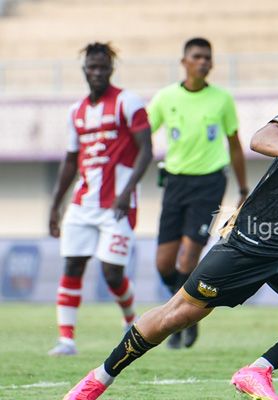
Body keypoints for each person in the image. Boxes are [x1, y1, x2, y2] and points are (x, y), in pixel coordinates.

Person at [62, 56, 278, 400]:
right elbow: (261, 137)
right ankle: (97, 380)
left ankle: (257, 370)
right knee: (177, 314)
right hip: (253, 238)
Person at [47, 42, 153, 356]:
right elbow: (70, 160)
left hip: (117, 206)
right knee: (72, 265)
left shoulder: (127, 102)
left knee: (111, 273)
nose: (96, 72)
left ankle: (131, 320)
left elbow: (146, 150)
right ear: (84, 70)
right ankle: (66, 340)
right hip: (82, 204)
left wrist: (126, 192)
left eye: (102, 67)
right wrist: (56, 204)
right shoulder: (75, 111)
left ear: (110, 69)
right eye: (91, 67)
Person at [147, 37, 249, 349]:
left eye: (207, 57)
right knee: (164, 264)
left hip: (209, 183)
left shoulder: (222, 99)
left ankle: (178, 324)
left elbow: (234, 144)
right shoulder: (165, 98)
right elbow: (141, 136)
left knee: (188, 257)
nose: (203, 62)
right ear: (185, 62)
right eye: (197, 56)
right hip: (175, 183)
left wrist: (243, 188)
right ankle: (186, 310)